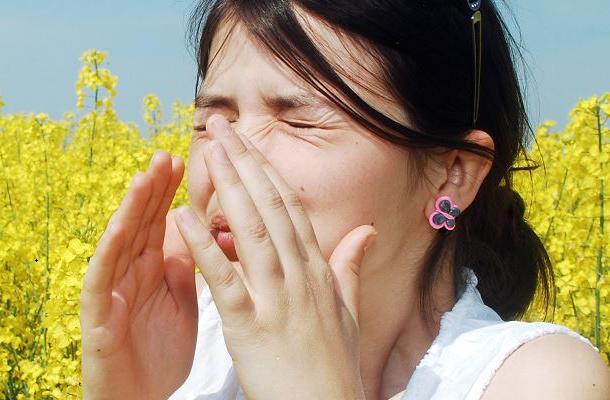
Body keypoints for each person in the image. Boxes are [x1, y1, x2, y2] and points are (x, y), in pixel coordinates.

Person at [80, 0, 610, 399]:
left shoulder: (537, 380)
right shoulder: (185, 350)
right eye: (210, 121)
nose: (226, 158)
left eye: (299, 120)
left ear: (452, 175)